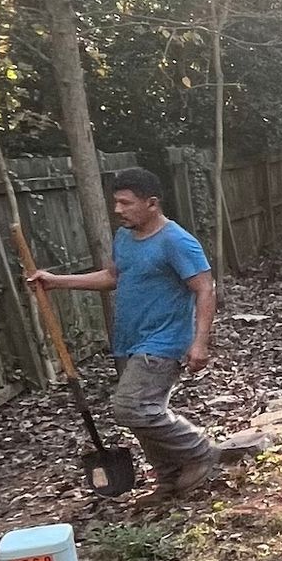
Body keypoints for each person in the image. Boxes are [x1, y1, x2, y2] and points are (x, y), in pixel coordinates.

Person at [26, 167, 245, 498]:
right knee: (144, 415)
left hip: (165, 341)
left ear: (152, 203)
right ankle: (169, 478)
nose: (118, 211)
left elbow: (205, 289)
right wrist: (57, 281)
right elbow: (114, 276)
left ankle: (200, 451)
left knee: (131, 408)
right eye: (116, 202)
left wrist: (200, 343)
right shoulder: (125, 238)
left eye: (126, 203)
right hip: (130, 340)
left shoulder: (177, 241)